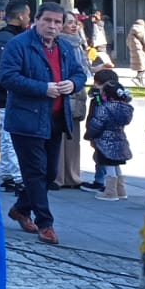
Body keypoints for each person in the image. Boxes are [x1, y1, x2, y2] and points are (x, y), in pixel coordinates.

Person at [0, 1, 89, 245]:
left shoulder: (65, 47)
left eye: (57, 22)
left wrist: (73, 84)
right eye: (47, 20)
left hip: (55, 120)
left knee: (49, 175)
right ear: (35, 20)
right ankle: (45, 223)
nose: (52, 26)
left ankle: (20, 208)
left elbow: (80, 73)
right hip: (26, 121)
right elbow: (6, 77)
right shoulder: (19, 45)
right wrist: (42, 88)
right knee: (35, 172)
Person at [0, 0, 29, 191]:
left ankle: (9, 174)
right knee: (11, 135)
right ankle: (16, 176)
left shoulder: (7, 36)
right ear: (20, 16)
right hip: (5, 93)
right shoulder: (6, 38)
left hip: (4, 92)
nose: (29, 19)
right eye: (27, 15)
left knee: (7, 135)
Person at [56, 11, 94, 188]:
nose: (73, 26)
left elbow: (84, 70)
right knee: (60, 136)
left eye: (75, 23)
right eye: (69, 22)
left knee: (73, 137)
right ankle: (59, 176)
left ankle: (72, 175)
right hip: (65, 91)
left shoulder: (78, 43)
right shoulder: (60, 43)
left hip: (78, 93)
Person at [83, 68, 134, 201]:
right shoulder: (124, 107)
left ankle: (110, 191)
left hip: (104, 140)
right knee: (116, 164)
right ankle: (121, 189)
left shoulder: (103, 108)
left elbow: (96, 123)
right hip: (119, 139)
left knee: (108, 164)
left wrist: (89, 134)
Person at [127, 17, 145, 86]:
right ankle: (137, 78)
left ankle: (141, 82)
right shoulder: (142, 32)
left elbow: (127, 43)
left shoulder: (131, 33)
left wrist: (133, 48)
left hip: (134, 52)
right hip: (142, 52)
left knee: (140, 67)